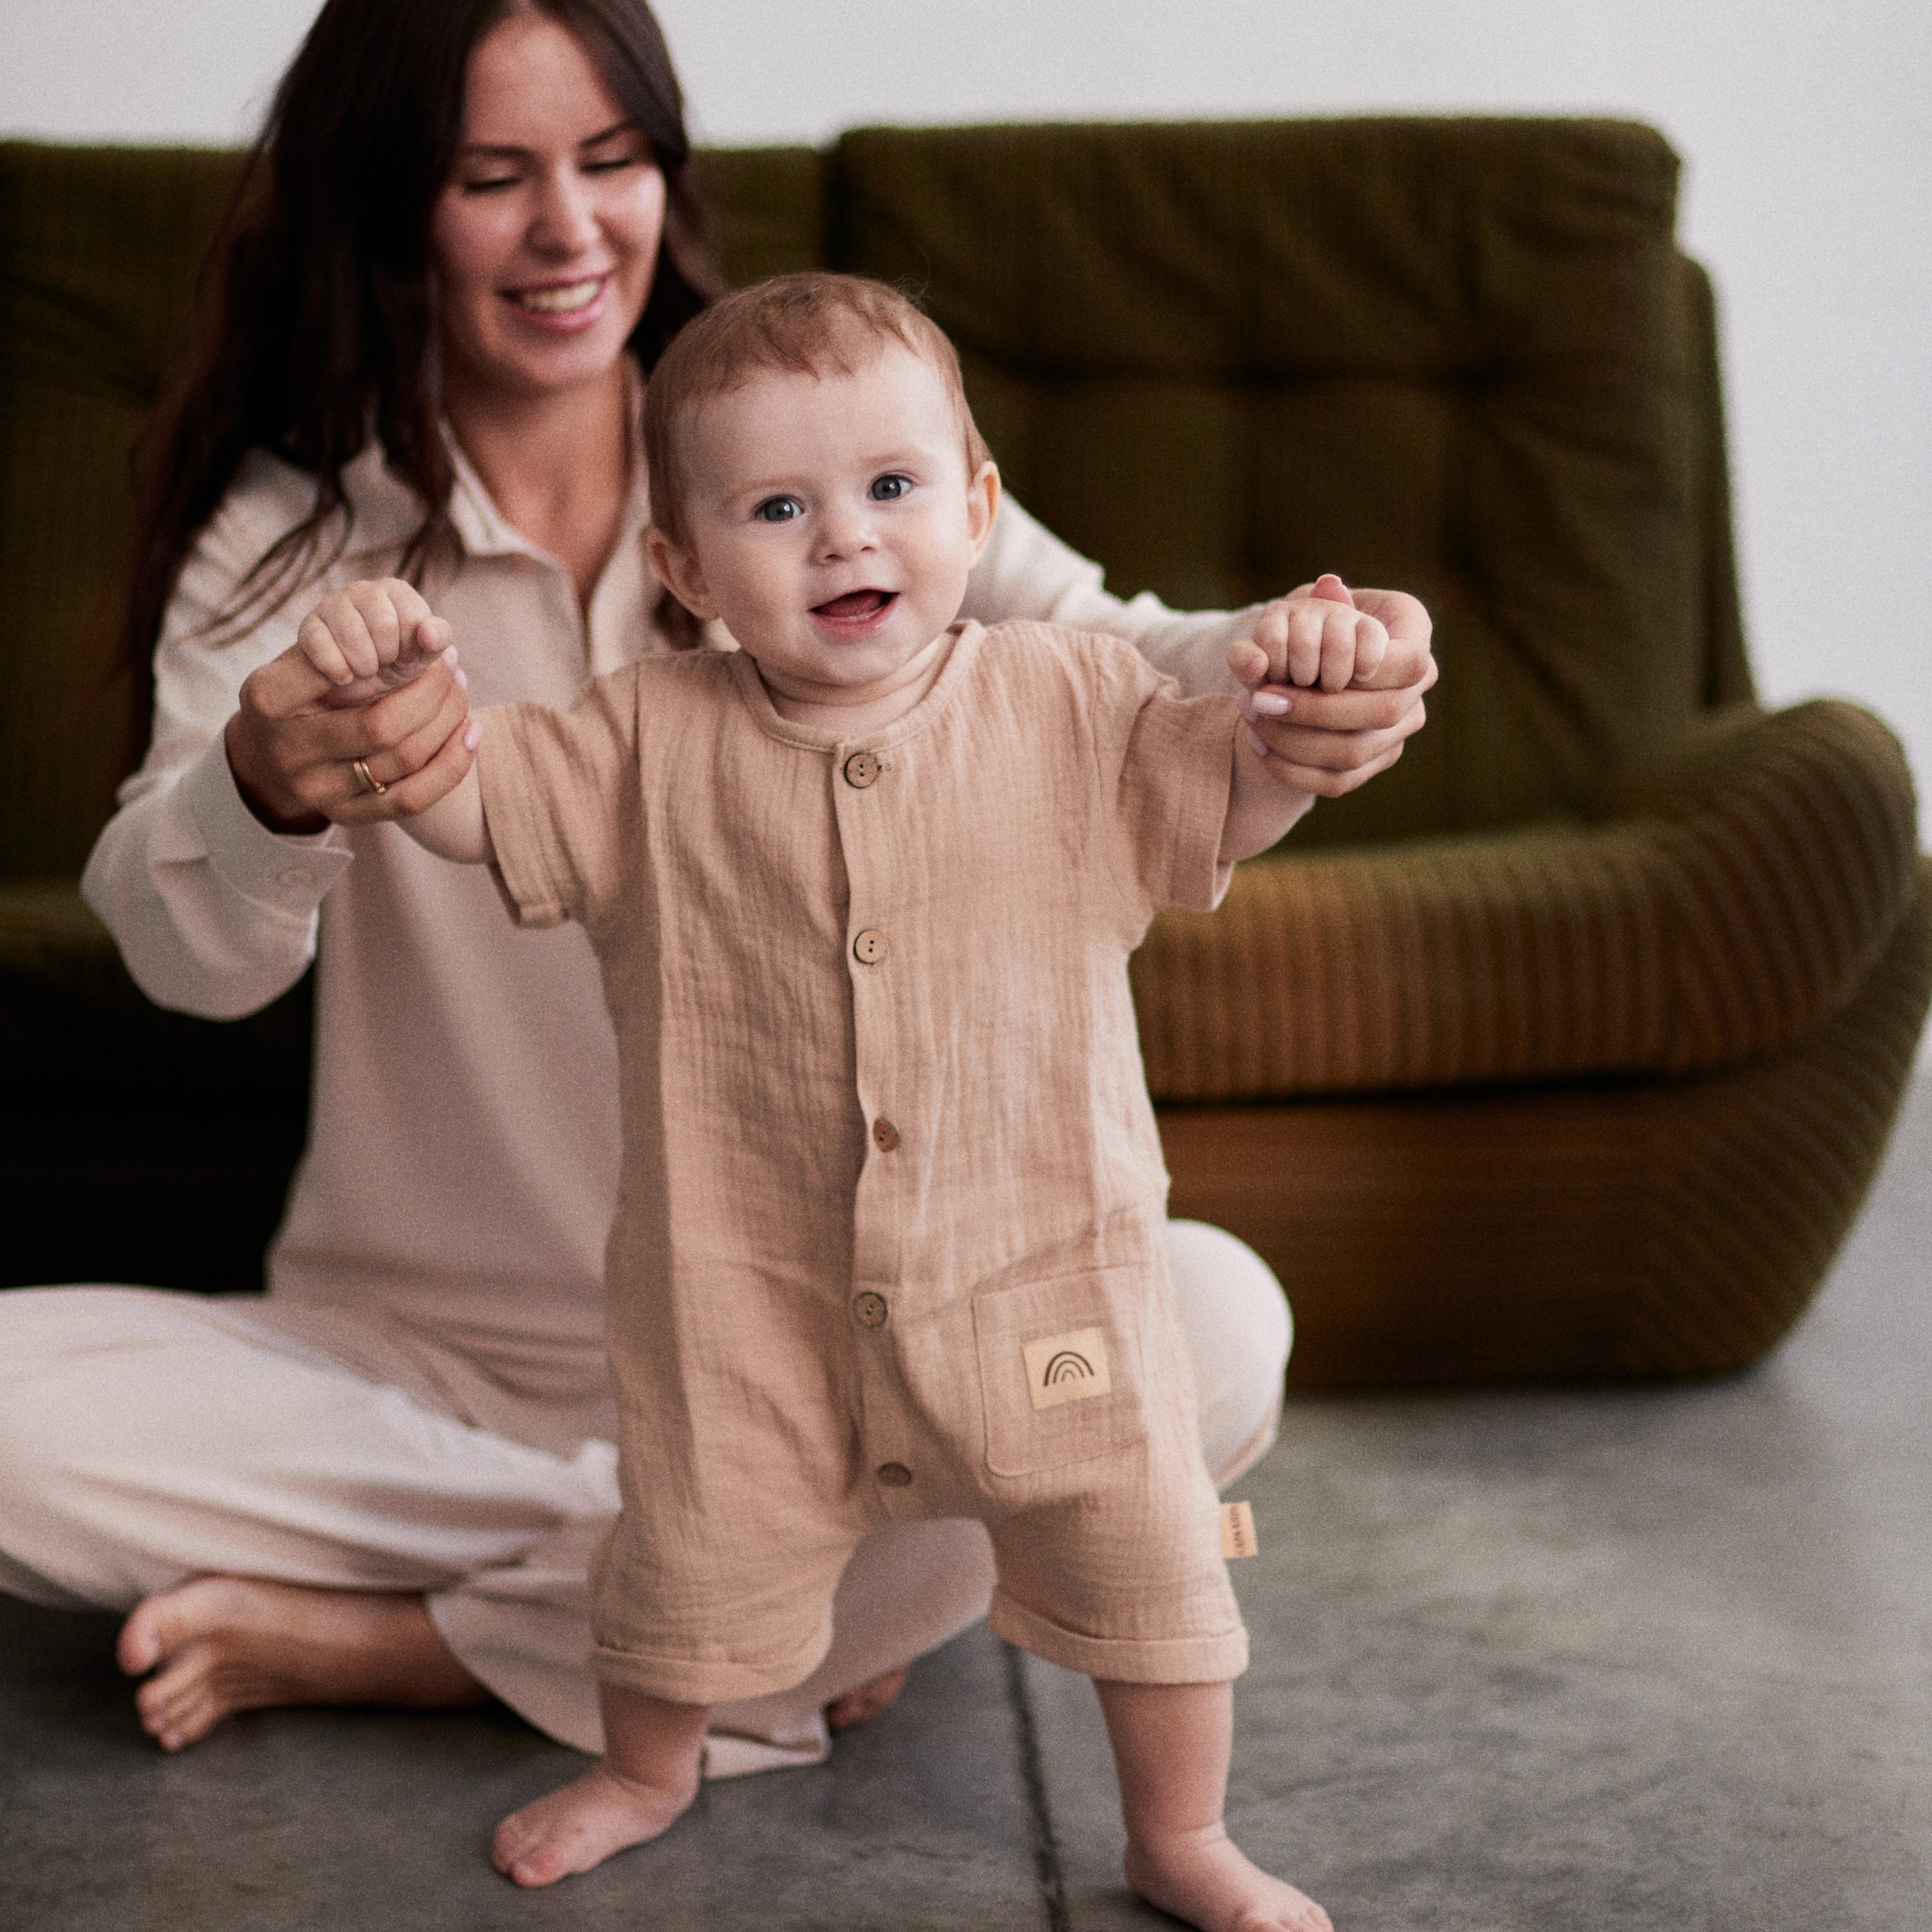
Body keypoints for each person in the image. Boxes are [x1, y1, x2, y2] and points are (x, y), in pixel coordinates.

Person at [0, 0, 1434, 1778]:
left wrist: (1311, 668)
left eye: (611, 163)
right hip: (419, 1363)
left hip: (846, 1338)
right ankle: (714, 1596)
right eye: (489, 177)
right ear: (385, 207)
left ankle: (452, 1646)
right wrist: (262, 783)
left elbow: (1126, 663)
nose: (568, 229)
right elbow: (185, 955)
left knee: (1211, 1321)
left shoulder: (818, 452)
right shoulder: (292, 535)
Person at [288, 270, 1348, 1929]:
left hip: (1038, 1280)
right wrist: (388, 703)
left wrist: (1300, 709)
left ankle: (1178, 1831)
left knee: (1140, 1537)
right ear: (686, 572)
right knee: (688, 1548)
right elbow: (469, 799)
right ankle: (651, 1768)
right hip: (745, 1298)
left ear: (977, 507)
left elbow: (1231, 780)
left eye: (891, 488)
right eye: (778, 507)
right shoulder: (641, 742)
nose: (843, 537)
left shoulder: (1068, 701)